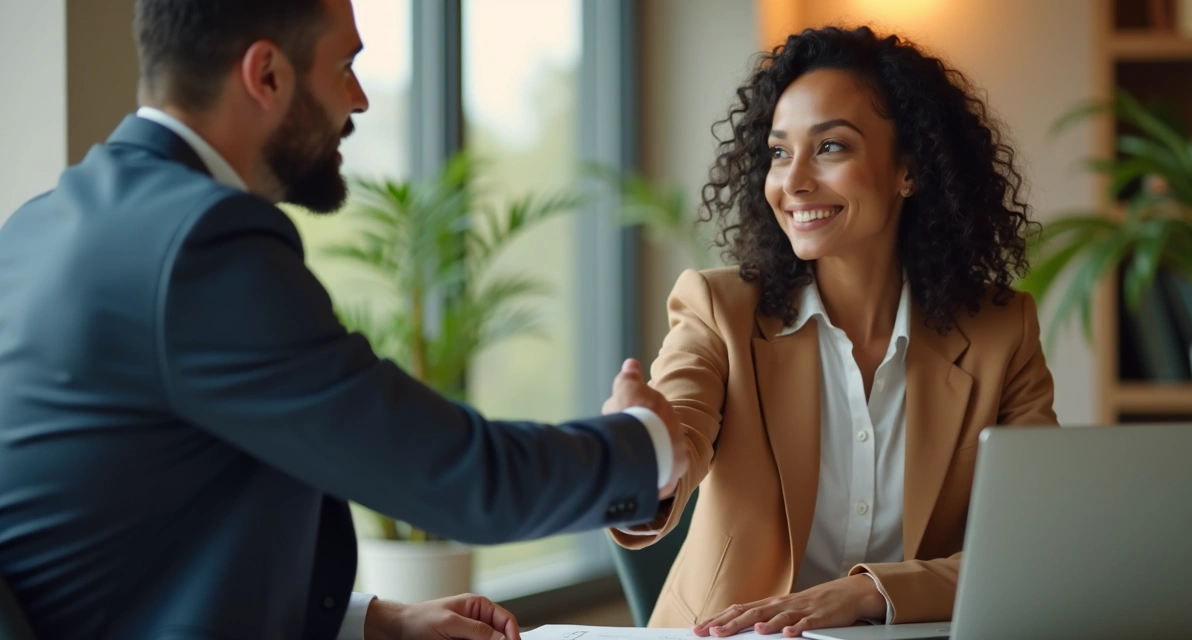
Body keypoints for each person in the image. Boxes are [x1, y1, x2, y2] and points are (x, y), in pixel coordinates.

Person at [0, 0, 688, 638]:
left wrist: (371, 622)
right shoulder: (199, 245)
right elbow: (455, 475)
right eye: (345, 65)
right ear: (265, 74)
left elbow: (136, 540)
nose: (359, 98)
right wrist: (649, 442)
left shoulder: (41, 225)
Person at [608, 26, 1056, 634]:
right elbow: (682, 425)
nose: (792, 182)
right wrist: (650, 453)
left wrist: (869, 594)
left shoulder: (1004, 333)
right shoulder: (717, 310)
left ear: (910, 169)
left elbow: (1033, 548)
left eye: (831, 148)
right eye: (779, 152)